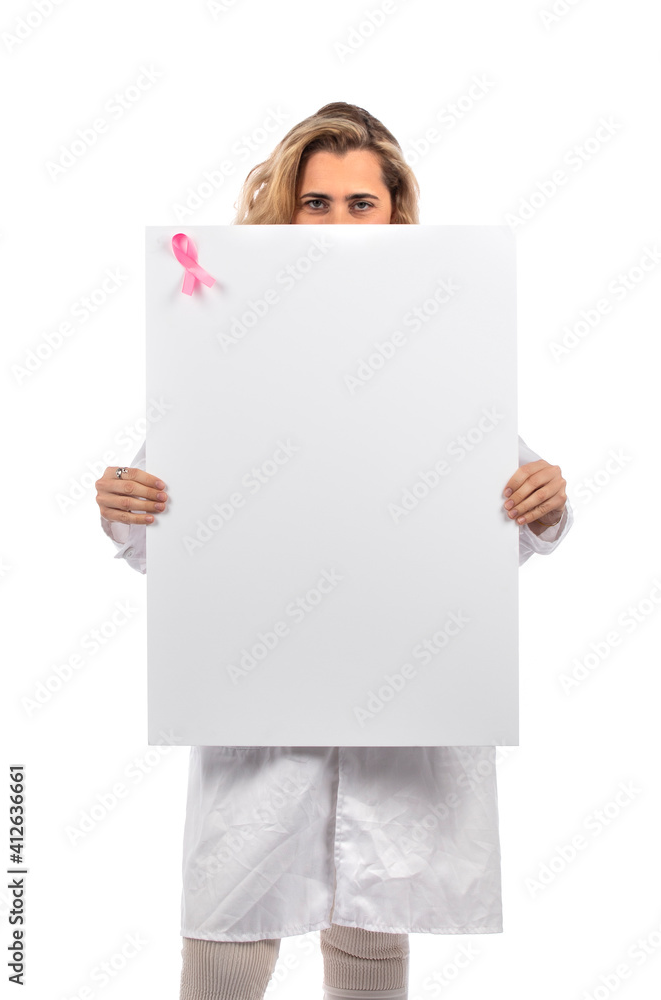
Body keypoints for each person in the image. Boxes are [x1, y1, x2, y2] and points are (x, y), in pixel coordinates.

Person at [95, 102, 574, 1000]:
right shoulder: (222, 340)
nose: (340, 221)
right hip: (259, 700)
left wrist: (541, 504)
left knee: (371, 920)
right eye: (317, 202)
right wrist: (127, 507)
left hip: (399, 696)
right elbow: (178, 544)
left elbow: (478, 536)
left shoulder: (441, 340)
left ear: (394, 214)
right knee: (231, 927)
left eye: (362, 203)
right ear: (286, 210)